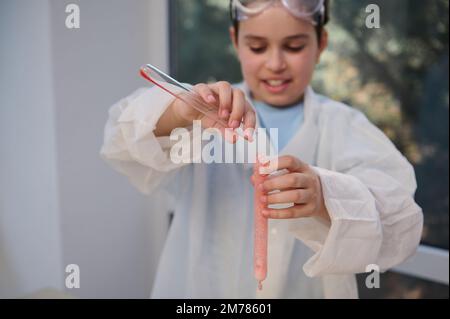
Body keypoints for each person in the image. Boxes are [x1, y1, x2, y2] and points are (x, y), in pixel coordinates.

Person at [100, 0, 423, 298]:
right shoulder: (204, 113)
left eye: (294, 46)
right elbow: (122, 143)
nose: (275, 63)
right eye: (257, 47)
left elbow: (398, 225)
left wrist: (326, 196)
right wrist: (179, 113)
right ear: (235, 41)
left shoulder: (345, 127)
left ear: (321, 44)